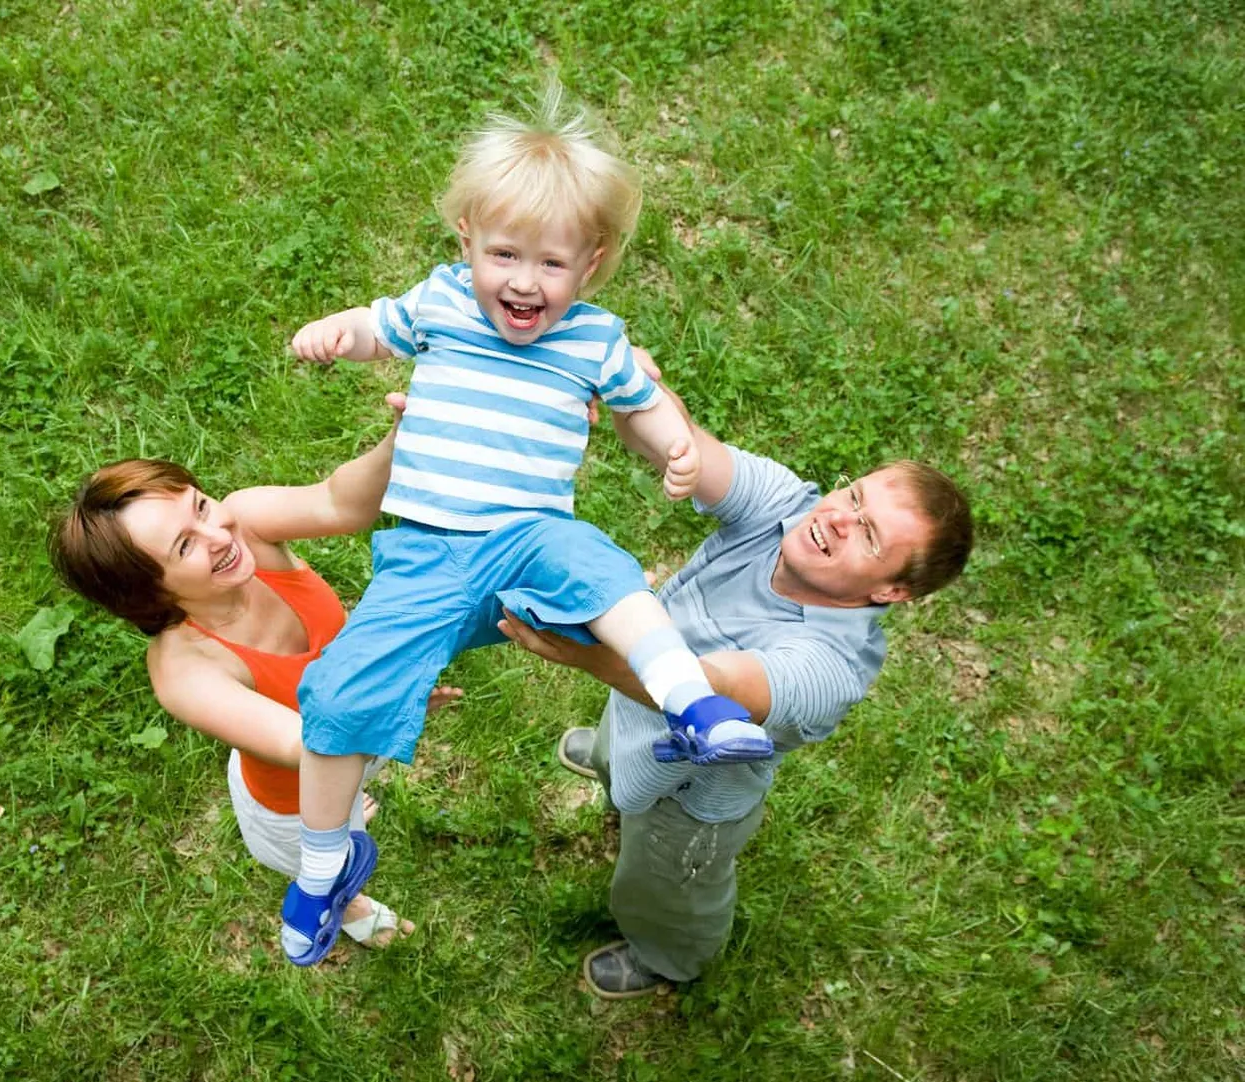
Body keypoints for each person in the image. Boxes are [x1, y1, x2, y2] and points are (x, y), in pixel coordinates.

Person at [281, 90, 773, 966]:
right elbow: (375, 328)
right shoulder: (437, 303)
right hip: (425, 555)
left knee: (602, 569)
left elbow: (644, 400)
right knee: (338, 691)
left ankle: (691, 702)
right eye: (504, 254)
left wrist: (678, 452)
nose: (523, 281)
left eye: (551, 264)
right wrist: (334, 335)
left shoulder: (594, 340)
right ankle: (324, 864)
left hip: (529, 534)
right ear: (466, 238)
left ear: (593, 263)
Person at [499, 373, 974, 999]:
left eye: (869, 534)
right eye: (854, 498)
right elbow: (681, 447)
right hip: (636, 704)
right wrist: (624, 380)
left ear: (891, 591)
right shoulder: (787, 507)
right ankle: (615, 766)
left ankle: (669, 957)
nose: (836, 519)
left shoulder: (828, 667)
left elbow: (700, 688)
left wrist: (586, 654)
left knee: (663, 885)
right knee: (617, 743)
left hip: (691, 792)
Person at [49, 395, 452, 955]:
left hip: (358, 736)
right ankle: (350, 905)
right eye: (185, 545)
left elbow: (342, 502)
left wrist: (401, 435)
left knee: (357, 787)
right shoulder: (185, 670)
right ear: (150, 592)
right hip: (296, 802)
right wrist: (394, 700)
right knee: (334, 858)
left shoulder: (245, 525)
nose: (219, 535)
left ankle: (355, 804)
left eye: (200, 506)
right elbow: (306, 742)